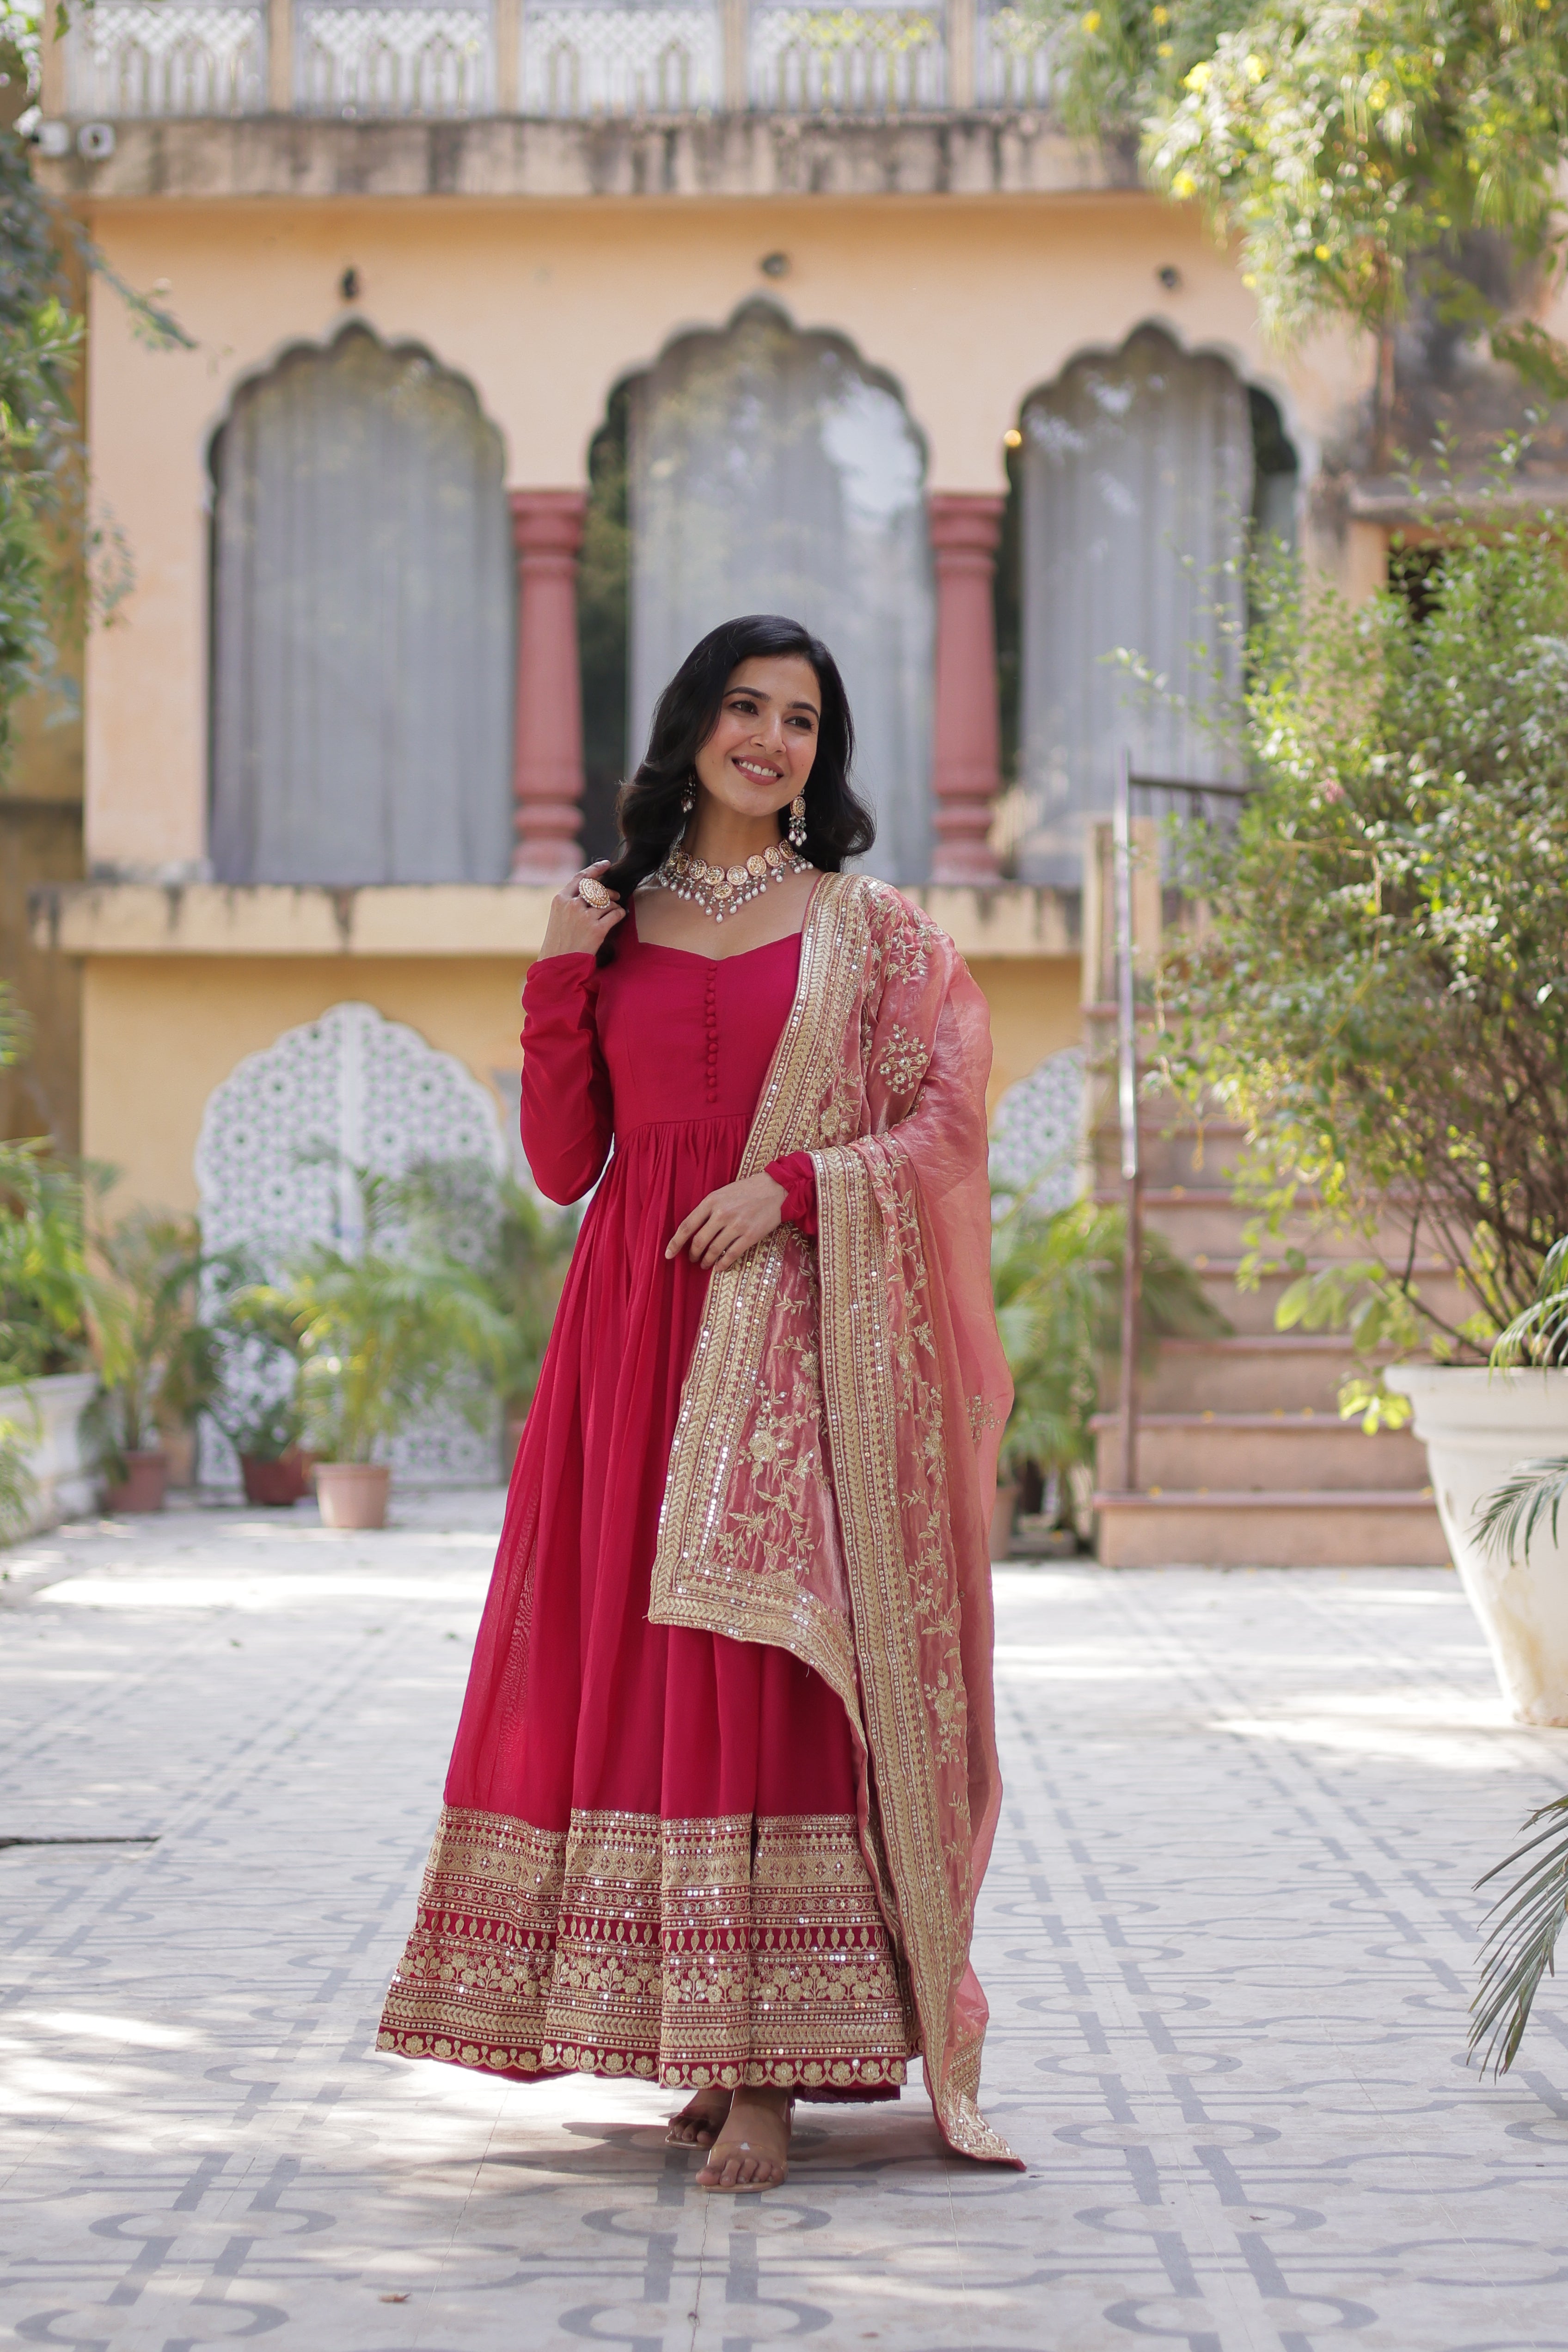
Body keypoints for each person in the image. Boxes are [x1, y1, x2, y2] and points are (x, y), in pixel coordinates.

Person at [379, 614, 1018, 2187]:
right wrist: (554, 975)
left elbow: (946, 1123)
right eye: (746, 706)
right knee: (645, 1663)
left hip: (796, 1332)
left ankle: (770, 2072)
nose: (771, 739)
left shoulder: (872, 933)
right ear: (695, 724)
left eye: (801, 719)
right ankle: (695, 2035)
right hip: (637, 1329)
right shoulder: (613, 921)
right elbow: (562, 1165)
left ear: (822, 753)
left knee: (767, 1656)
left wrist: (795, 1188)